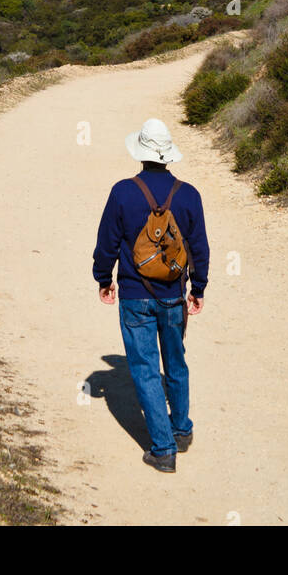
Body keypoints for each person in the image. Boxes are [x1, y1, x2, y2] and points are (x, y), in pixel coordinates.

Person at [92, 117, 210, 472]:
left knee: (145, 369)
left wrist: (103, 278)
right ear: (169, 156)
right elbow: (200, 248)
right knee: (175, 362)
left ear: (141, 154)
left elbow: (106, 244)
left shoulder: (122, 192)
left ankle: (163, 449)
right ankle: (181, 429)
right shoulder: (189, 195)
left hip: (134, 294)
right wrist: (198, 287)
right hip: (174, 295)